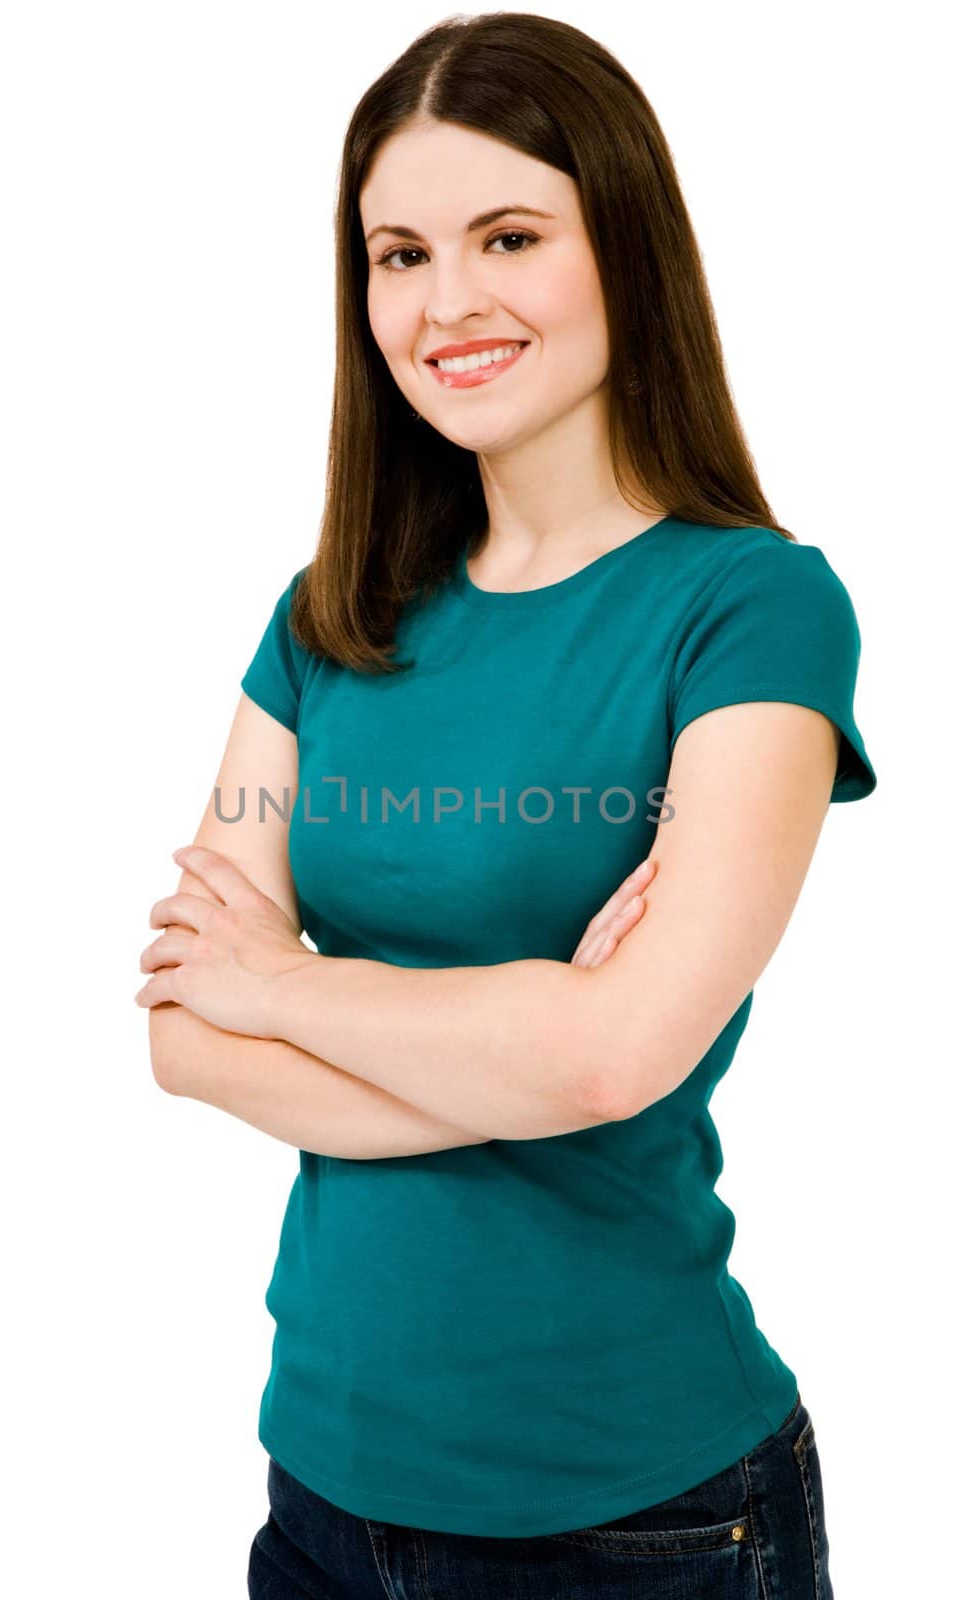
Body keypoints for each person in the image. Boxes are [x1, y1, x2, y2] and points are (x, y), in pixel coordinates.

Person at [137, 14, 876, 1597]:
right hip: (321, 1480)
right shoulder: (326, 614)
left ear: (627, 249)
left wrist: (291, 991)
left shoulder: (755, 615)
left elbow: (621, 1053)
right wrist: (547, 1043)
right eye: (399, 252)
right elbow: (183, 1035)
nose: (447, 300)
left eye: (511, 236)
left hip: (638, 1519)